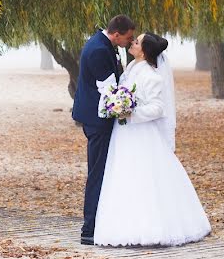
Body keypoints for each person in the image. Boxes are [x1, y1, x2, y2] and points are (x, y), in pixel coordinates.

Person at [93, 33, 211, 247]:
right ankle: (123, 224)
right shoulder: (131, 69)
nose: (132, 43)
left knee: (144, 176)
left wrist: (129, 113)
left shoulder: (151, 76)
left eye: (137, 42)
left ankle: (151, 227)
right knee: (124, 174)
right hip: (125, 134)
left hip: (141, 133)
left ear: (144, 51)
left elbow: (157, 108)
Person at [72, 15, 136, 245]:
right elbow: (109, 92)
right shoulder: (99, 50)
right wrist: (125, 104)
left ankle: (98, 223)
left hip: (94, 117)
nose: (130, 42)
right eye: (128, 38)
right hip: (97, 121)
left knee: (101, 170)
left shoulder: (101, 43)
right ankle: (89, 228)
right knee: (97, 172)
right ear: (116, 33)